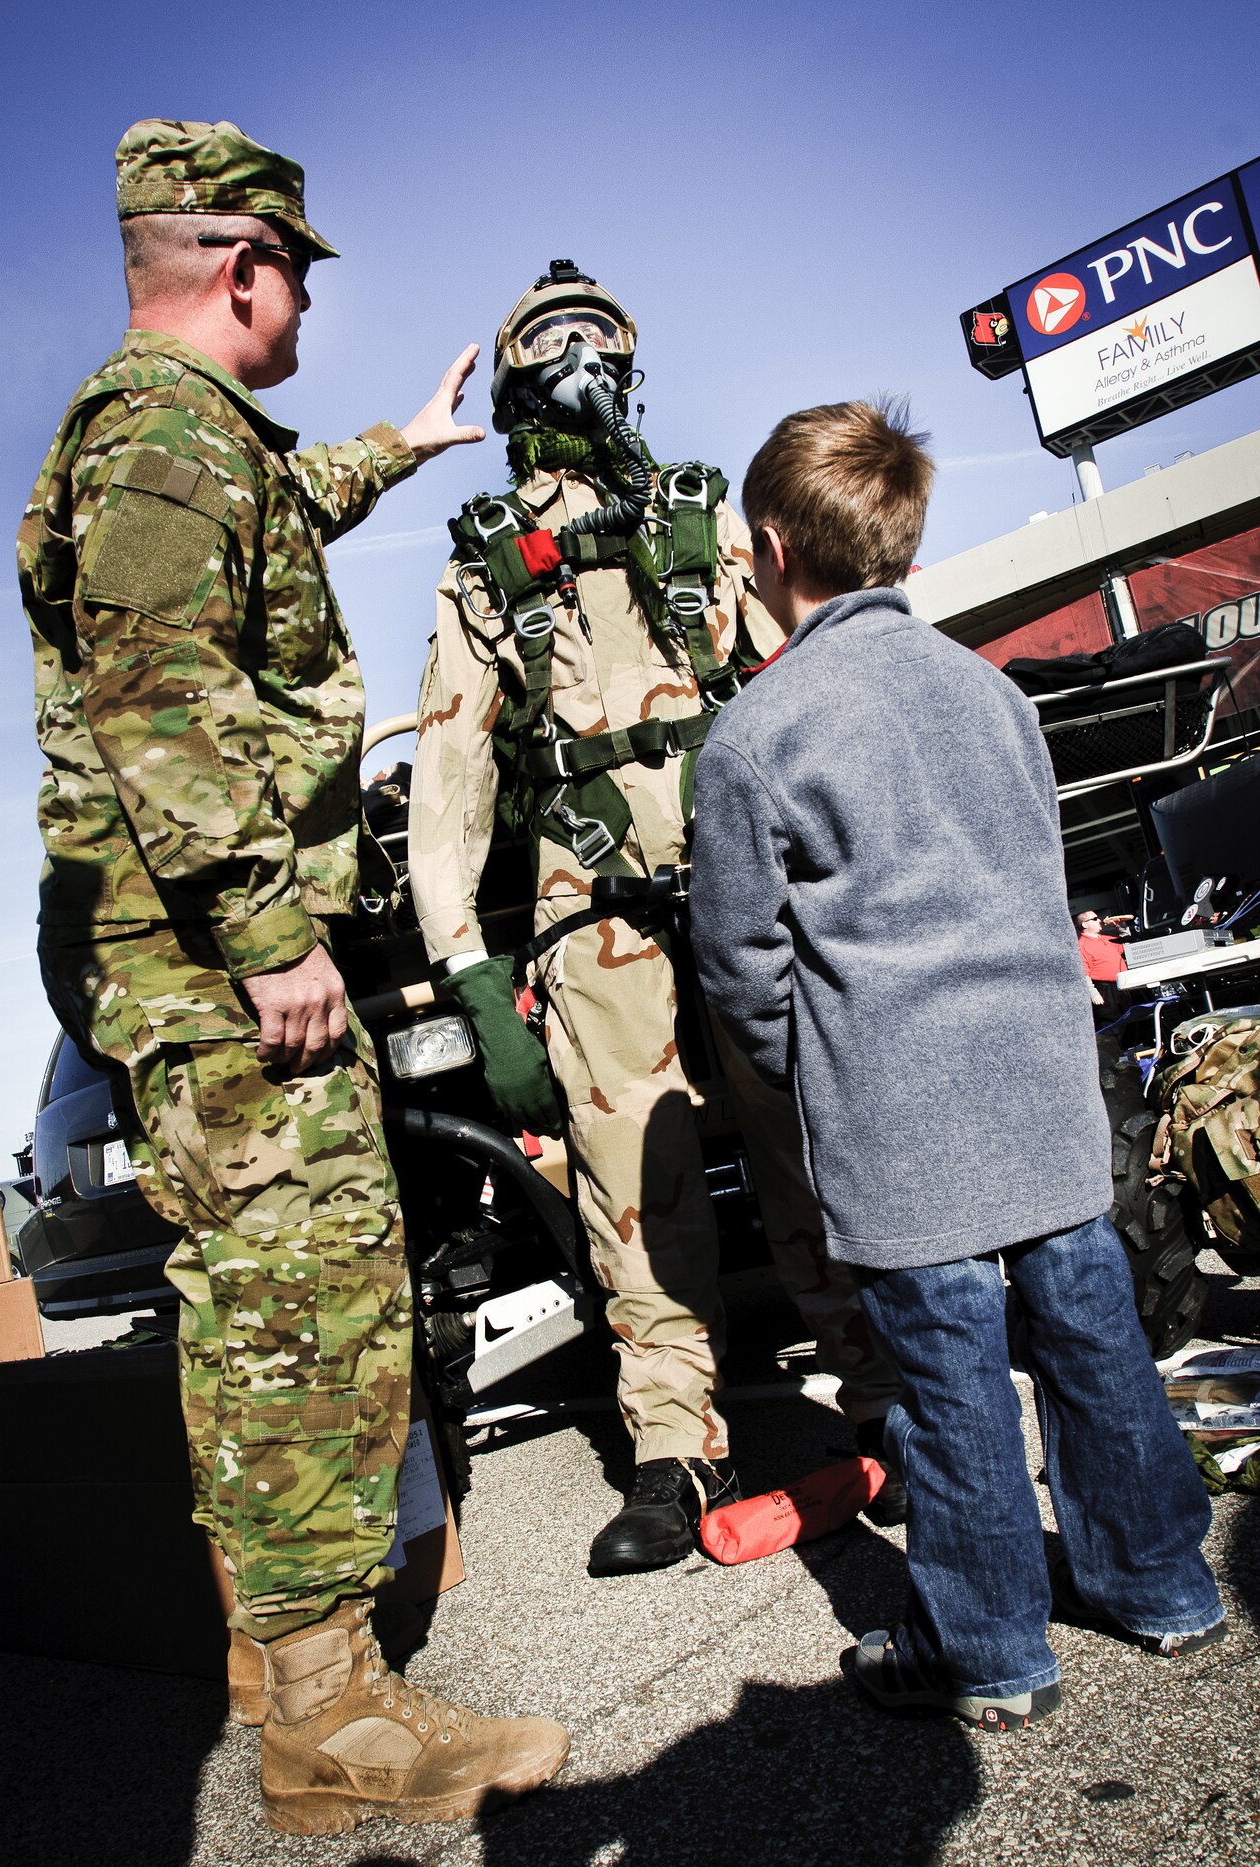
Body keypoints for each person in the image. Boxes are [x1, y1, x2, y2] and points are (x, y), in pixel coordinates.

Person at [18, 118, 569, 1832]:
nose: (308, 312)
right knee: (289, 1327)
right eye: (297, 281)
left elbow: (272, 513)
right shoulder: (166, 443)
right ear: (243, 269)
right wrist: (265, 935)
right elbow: (157, 703)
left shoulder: (190, 445)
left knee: (304, 1312)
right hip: (216, 976)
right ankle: (327, 1728)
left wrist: (398, 445)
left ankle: (324, 1695)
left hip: (196, 969)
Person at [691, 399, 1226, 1732]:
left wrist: (796, 1091)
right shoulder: (991, 691)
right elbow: (1037, 884)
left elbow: (741, 975)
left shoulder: (758, 737)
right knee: (1097, 1340)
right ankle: (1162, 1586)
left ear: (769, 546)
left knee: (947, 1381)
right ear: (900, 541)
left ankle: (990, 1652)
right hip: (1040, 1089)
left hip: (897, 1110)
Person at [407, 262, 903, 1577]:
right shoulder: (480, 566)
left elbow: (803, 690)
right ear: (517, 380)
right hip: (589, 919)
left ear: (626, 368)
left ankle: (885, 1404)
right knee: (635, 1192)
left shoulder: (702, 518)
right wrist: (465, 965)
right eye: (549, 341)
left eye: (596, 339)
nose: (575, 357)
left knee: (812, 1144)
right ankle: (674, 1450)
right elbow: (451, 779)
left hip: (750, 889)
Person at [1076, 909, 1126, 1011]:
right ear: (1085, 924)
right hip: (1105, 989)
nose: (1099, 920)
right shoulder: (1082, 946)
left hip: (1123, 984)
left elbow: (1126, 945)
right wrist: (1093, 992)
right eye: (1095, 919)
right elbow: (1084, 973)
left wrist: (1121, 927)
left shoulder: (1106, 939)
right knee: (1112, 1021)